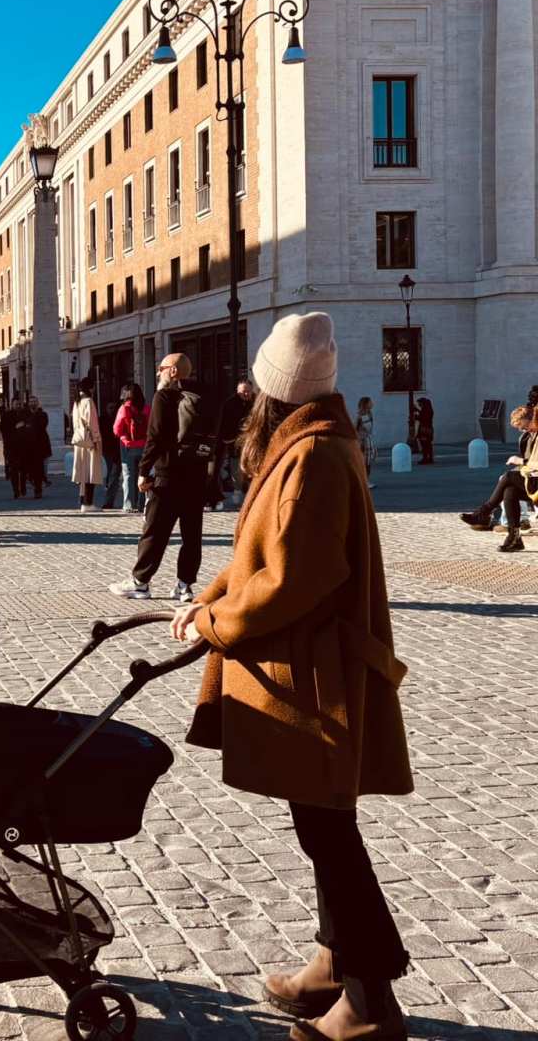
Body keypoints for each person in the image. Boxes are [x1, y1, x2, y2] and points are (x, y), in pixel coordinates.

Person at [172, 311, 413, 1041]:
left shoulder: (311, 458)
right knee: (322, 827)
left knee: (330, 832)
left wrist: (216, 622)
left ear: (274, 391)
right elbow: (258, 556)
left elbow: (288, 581)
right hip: (309, 668)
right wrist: (207, 598)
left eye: (256, 382)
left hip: (312, 679)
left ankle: (369, 1002)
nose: (246, 390)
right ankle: (335, 962)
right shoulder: (311, 445)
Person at [109, 353, 211, 603]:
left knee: (155, 531)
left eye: (162, 368)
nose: (158, 373)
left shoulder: (164, 396)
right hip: (196, 475)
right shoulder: (204, 397)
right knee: (192, 535)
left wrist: (144, 472)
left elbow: (154, 437)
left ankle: (140, 582)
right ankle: (184, 586)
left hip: (167, 475)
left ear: (173, 371)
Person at [459, 404, 538, 554]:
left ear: (532, 419)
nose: (523, 430)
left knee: (508, 477)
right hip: (533, 480)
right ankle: (514, 539)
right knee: (510, 490)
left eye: (524, 426)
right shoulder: (528, 437)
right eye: (520, 428)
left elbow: (531, 462)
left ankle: (484, 513)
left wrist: (519, 461)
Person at [214, 380, 255, 508]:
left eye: (248, 391)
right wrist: (228, 437)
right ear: (238, 391)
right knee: (236, 471)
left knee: (251, 470)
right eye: (243, 391)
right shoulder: (230, 404)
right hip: (234, 442)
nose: (246, 394)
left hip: (251, 443)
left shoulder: (256, 403)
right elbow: (224, 423)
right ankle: (239, 498)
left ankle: (249, 498)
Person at [113, 383, 150, 513]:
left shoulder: (124, 408)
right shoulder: (146, 408)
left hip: (127, 446)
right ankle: (141, 503)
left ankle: (129, 504)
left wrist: (124, 437)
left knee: (128, 475)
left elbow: (116, 429)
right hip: (144, 445)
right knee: (142, 474)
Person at [71, 378, 104, 512]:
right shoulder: (89, 402)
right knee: (91, 472)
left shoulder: (76, 402)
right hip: (89, 440)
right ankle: (88, 503)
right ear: (90, 388)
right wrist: (96, 440)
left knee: (82, 472)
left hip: (79, 440)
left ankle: (83, 500)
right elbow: (93, 423)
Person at [28, 397, 52, 494]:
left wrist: (30, 425)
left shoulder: (43, 414)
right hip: (29, 446)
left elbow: (42, 426)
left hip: (41, 446)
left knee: (41, 468)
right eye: (31, 402)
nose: (32, 403)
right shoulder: (26, 415)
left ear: (38, 403)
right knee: (33, 469)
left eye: (34, 402)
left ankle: (39, 488)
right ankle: (38, 484)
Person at [100, 400, 121, 509]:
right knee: (111, 473)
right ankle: (109, 499)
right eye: (110, 408)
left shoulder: (118, 417)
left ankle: (109, 499)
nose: (112, 410)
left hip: (119, 449)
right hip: (108, 449)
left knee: (114, 475)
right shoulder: (103, 419)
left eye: (113, 408)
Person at [355, 397, 376, 489]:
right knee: (364, 463)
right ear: (366, 404)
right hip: (362, 441)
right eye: (370, 402)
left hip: (368, 439)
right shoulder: (360, 415)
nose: (372, 403)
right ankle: (364, 482)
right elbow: (355, 428)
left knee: (368, 462)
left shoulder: (369, 414)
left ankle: (366, 481)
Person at [413, 397, 435, 465]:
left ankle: (425, 458)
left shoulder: (426, 411)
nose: (419, 405)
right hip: (428, 429)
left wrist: (417, 415)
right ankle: (429, 458)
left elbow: (423, 417)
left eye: (420, 403)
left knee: (425, 444)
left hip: (425, 429)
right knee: (428, 444)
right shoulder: (428, 410)